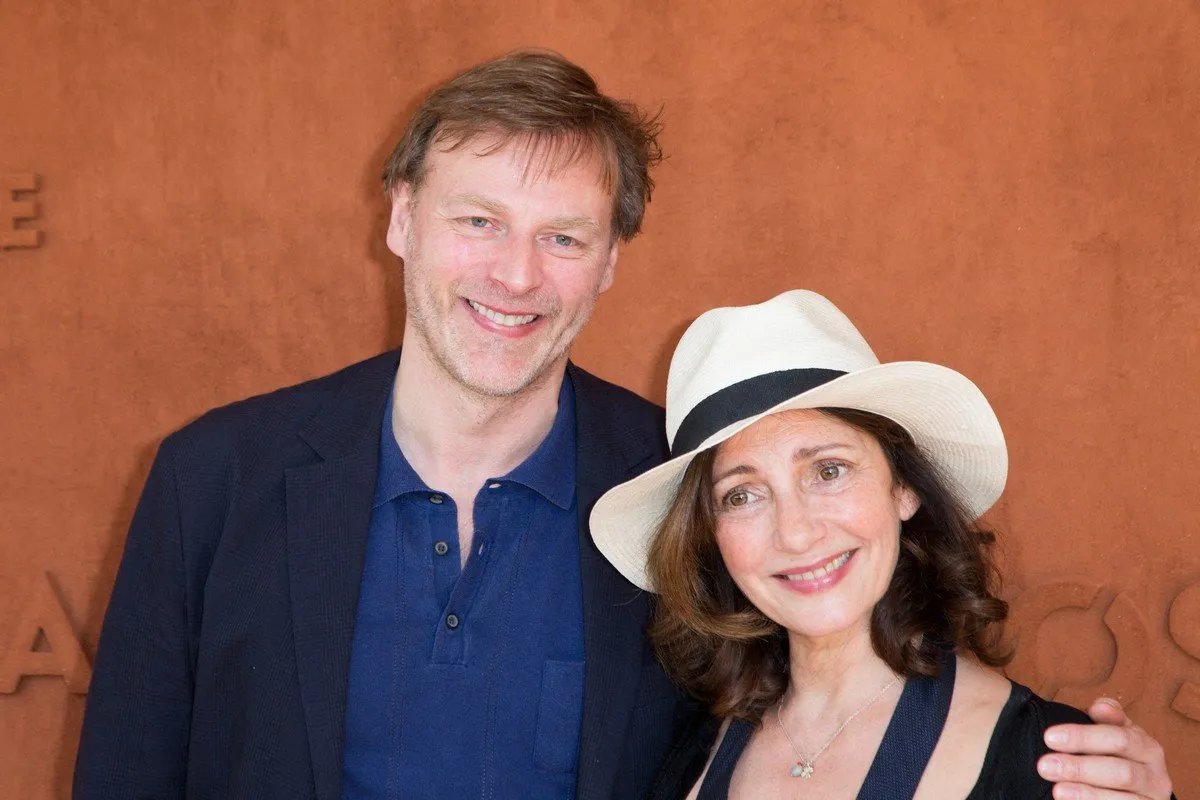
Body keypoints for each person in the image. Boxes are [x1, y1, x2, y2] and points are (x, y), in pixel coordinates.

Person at [72, 52, 1174, 799]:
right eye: (478, 219)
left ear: (608, 265)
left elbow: (849, 695)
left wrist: (1100, 772)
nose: (516, 272)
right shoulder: (213, 476)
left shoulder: (691, 496)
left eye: (564, 236)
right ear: (402, 218)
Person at [591, 289, 1176, 799]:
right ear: (710, 536)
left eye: (828, 471)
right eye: (742, 495)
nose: (795, 532)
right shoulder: (689, 748)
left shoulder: (1060, 767)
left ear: (903, 488)